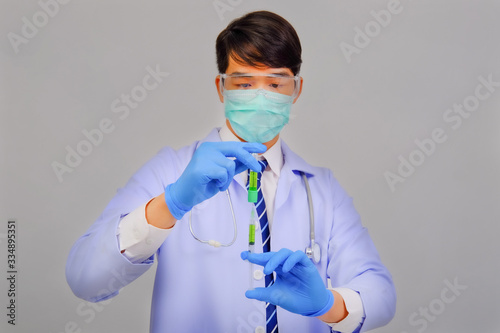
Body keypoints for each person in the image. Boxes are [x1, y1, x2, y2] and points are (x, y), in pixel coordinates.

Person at [66, 10, 396, 333]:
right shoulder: (171, 171)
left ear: (296, 89)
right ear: (221, 87)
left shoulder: (321, 190)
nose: (260, 96)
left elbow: (380, 294)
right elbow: (85, 279)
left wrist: (328, 305)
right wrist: (171, 203)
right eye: (244, 83)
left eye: (275, 82)